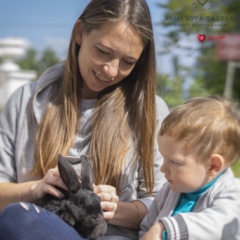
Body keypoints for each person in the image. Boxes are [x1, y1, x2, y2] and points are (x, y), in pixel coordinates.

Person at [0, 0, 169, 239]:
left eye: (128, 62)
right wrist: (35, 189)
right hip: (36, 229)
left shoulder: (151, 111)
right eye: (103, 52)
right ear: (80, 33)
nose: (111, 70)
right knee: (20, 218)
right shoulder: (24, 101)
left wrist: (113, 209)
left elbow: (163, 201)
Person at [139, 95, 240, 240]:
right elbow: (147, 228)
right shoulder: (169, 190)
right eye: (164, 158)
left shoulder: (230, 195)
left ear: (213, 166)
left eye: (173, 161)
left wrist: (164, 229)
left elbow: (222, 224)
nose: (163, 168)